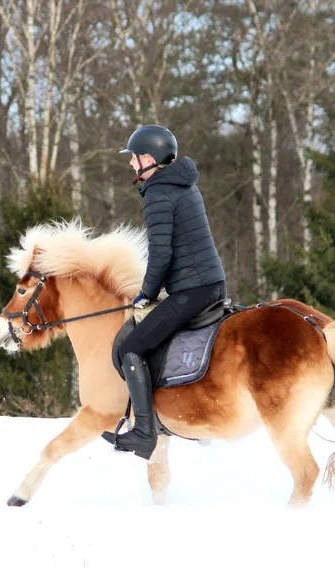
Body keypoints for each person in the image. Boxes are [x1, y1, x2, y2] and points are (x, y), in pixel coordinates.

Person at [101, 125, 227, 459]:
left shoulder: (159, 194)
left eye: (134, 158)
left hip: (192, 291)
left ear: (150, 159)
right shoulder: (183, 185)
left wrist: (146, 292)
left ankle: (144, 434)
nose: (131, 165)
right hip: (210, 284)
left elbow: (161, 255)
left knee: (130, 349)